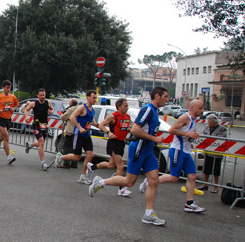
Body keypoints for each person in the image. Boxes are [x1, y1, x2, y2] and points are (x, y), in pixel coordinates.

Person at [89, 87, 169, 225]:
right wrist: (153, 138)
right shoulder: (148, 109)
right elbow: (135, 129)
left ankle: (148, 214)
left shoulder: (155, 111)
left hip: (148, 149)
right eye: (166, 96)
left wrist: (152, 140)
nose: (167, 100)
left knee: (154, 180)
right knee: (129, 181)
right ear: (157, 96)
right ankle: (101, 182)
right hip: (139, 147)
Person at [146, 100, 206, 213]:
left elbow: (186, 134)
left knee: (192, 176)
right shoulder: (185, 117)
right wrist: (188, 134)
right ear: (192, 108)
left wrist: (191, 139)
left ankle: (189, 203)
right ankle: (149, 181)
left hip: (186, 151)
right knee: (174, 177)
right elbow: (172, 130)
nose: (202, 111)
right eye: (200, 108)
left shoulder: (193, 120)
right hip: (178, 150)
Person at [87, 98, 133, 197]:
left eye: (127, 106)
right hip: (114, 142)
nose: (127, 108)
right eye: (125, 106)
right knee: (120, 166)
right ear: (119, 107)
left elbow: (124, 127)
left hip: (121, 143)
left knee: (111, 165)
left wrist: (129, 130)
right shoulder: (113, 116)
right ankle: (121, 189)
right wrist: (109, 133)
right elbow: (101, 125)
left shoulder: (128, 116)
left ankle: (92, 166)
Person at [54, 90, 97, 184]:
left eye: (95, 98)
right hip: (79, 134)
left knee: (90, 155)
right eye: (93, 97)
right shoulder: (82, 107)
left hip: (87, 135)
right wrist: (80, 127)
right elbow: (72, 117)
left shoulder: (91, 109)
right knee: (77, 157)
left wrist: (97, 125)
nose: (95, 99)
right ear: (88, 97)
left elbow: (90, 120)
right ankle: (61, 157)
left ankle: (83, 176)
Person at [24, 89, 54, 171]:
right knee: (41, 141)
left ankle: (30, 145)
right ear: (38, 96)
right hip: (36, 124)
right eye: (41, 95)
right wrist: (27, 116)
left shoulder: (48, 103)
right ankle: (43, 163)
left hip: (44, 125)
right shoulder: (34, 103)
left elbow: (52, 109)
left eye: (44, 95)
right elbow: (26, 110)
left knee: (41, 142)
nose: (42, 97)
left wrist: (51, 111)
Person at [199, 114, 227, 193]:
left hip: (217, 153)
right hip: (208, 152)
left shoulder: (222, 128)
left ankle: (216, 186)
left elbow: (223, 138)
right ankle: (205, 184)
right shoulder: (207, 127)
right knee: (206, 169)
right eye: (208, 123)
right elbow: (203, 135)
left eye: (211, 123)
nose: (209, 125)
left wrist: (212, 139)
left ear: (215, 122)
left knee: (216, 171)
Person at [58, 98, 80, 169]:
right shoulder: (80, 108)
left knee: (67, 147)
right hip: (78, 131)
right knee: (75, 148)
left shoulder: (71, 109)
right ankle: (74, 163)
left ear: (71, 103)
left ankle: (66, 163)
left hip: (71, 130)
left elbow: (63, 117)